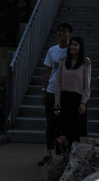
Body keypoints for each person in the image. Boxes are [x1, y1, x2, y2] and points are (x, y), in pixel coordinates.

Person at [38, 23, 71, 166]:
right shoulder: (52, 50)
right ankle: (50, 154)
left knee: (63, 125)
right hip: (51, 90)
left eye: (64, 31)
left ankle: (62, 154)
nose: (61, 34)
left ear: (70, 33)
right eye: (60, 31)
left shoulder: (72, 50)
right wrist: (44, 90)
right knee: (50, 124)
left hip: (65, 92)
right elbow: (48, 71)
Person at [54, 36, 91, 150]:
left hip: (77, 100)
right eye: (71, 45)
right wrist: (57, 100)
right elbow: (58, 83)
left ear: (80, 47)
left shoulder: (85, 63)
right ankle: (62, 159)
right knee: (63, 130)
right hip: (65, 99)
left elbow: (87, 85)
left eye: (76, 45)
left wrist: (83, 102)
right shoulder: (63, 62)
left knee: (78, 130)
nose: (72, 47)